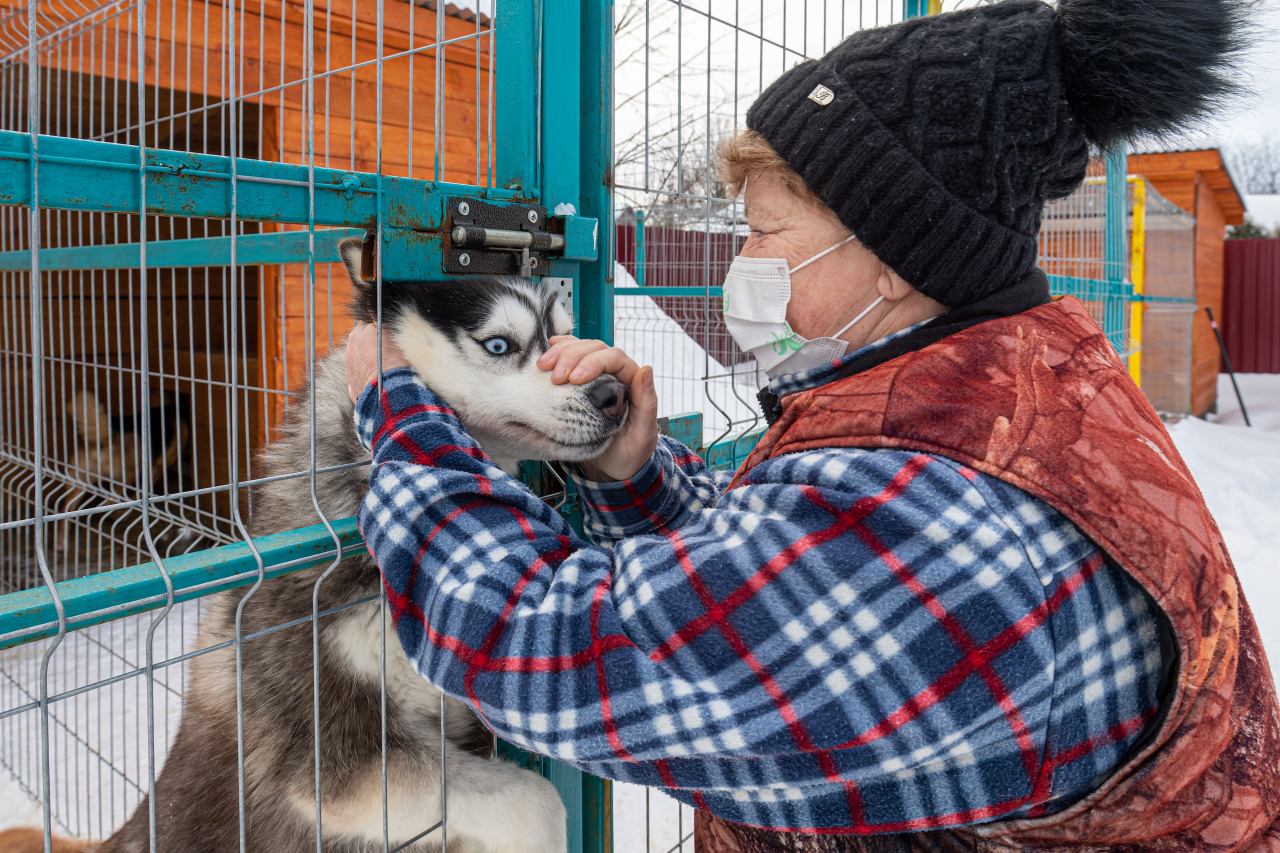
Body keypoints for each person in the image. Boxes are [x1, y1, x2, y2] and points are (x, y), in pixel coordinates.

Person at [345, 0, 1280, 849]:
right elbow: (783, 585)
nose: (741, 258)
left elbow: (554, 648)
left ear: (892, 251)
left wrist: (400, 414)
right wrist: (640, 480)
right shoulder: (1010, 383)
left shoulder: (951, 521)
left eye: (764, 232)